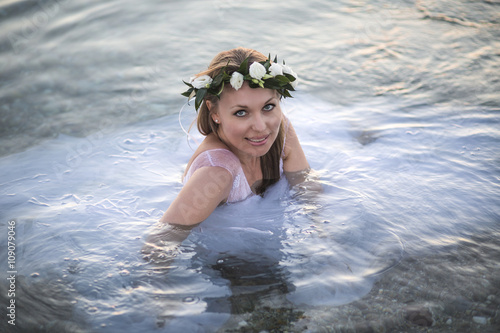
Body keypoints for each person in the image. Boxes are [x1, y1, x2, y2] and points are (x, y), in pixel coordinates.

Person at [143, 47, 315, 260]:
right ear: (215, 113)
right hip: (223, 260)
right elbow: (158, 243)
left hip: (267, 243)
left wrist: (322, 235)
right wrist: (164, 292)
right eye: (241, 113)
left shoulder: (281, 131)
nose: (261, 126)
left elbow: (306, 185)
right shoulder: (217, 172)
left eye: (268, 107)